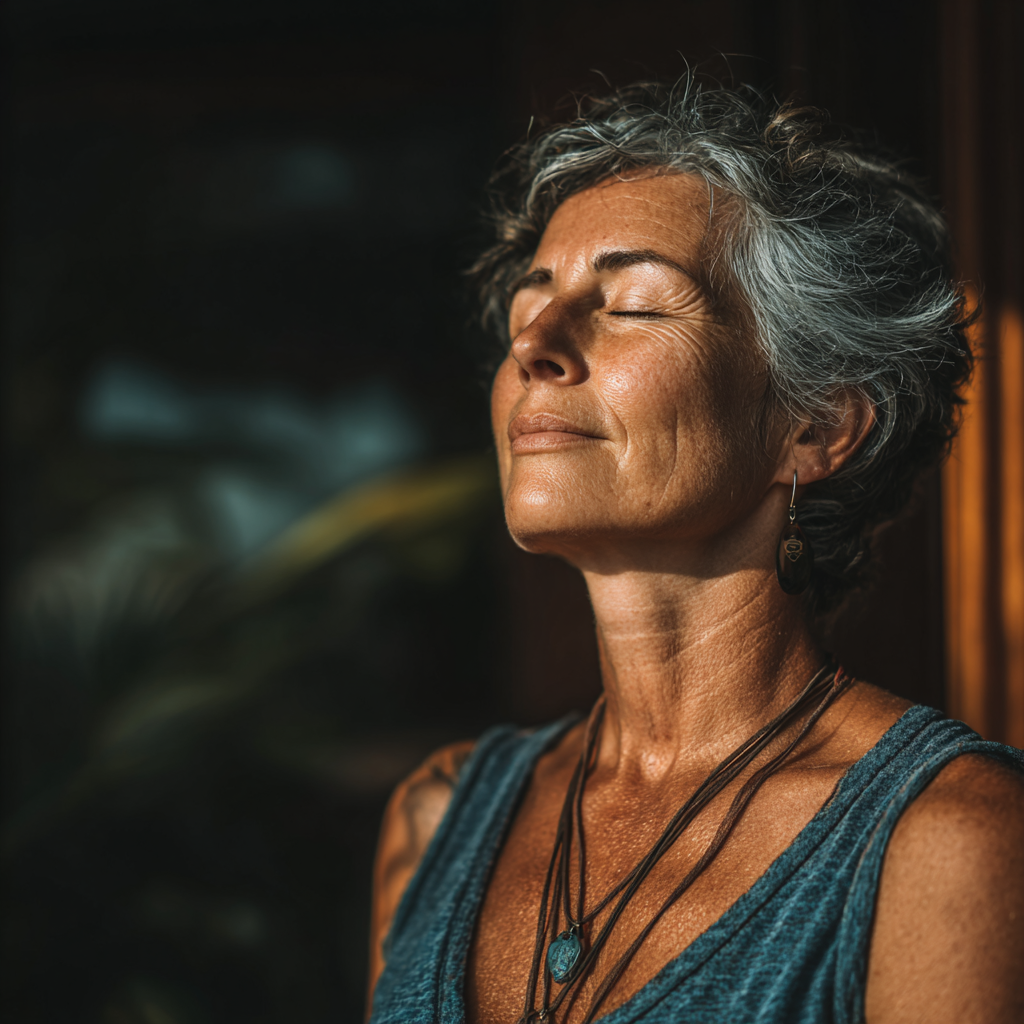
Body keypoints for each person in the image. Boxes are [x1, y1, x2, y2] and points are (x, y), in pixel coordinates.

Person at [365, 80, 1024, 1024]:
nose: (536, 347)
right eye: (527, 306)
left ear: (816, 428)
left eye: (632, 305)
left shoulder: (947, 840)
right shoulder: (436, 821)